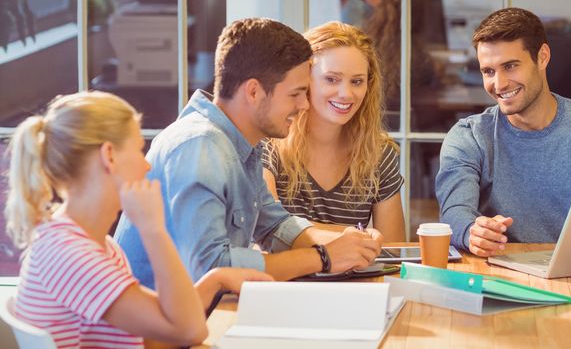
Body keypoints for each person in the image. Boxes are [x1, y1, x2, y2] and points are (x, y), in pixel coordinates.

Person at [114, 18, 383, 289]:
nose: (304, 105)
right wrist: (323, 257)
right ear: (254, 91)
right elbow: (210, 269)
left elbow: (273, 225)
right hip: (160, 328)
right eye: (295, 94)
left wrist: (346, 246)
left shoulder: (243, 145)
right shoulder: (200, 147)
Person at [5, 91, 271, 348]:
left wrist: (217, 279)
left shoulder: (92, 245)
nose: (146, 165)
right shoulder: (71, 255)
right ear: (109, 155)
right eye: (138, 149)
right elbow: (189, 329)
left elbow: (159, 330)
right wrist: (152, 229)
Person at [435, 8, 571, 257]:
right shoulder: (469, 136)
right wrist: (472, 231)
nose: (499, 84)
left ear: (542, 57)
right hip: (503, 275)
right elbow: (454, 213)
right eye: (489, 71)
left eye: (511, 66)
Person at [263, 22, 405, 243]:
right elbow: (269, 230)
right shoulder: (268, 144)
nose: (346, 93)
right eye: (331, 79)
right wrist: (356, 236)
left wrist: (298, 229)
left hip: (355, 277)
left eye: (357, 81)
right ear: (304, 78)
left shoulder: (378, 153)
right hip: (285, 277)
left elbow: (393, 249)